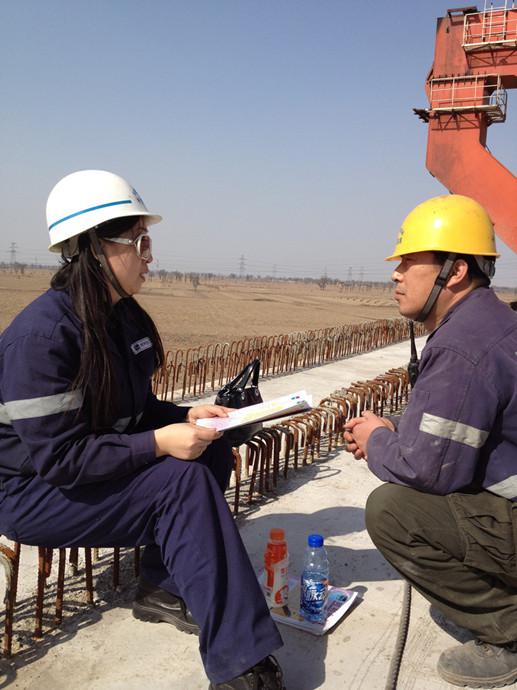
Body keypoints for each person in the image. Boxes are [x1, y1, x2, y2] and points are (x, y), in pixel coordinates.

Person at [0, 169, 285, 690]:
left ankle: (162, 586)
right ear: (93, 248)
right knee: (180, 481)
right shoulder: (42, 338)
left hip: (75, 471)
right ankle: (240, 660)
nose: (149, 256)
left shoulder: (120, 317)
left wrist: (184, 417)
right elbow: (60, 458)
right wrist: (158, 442)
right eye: (139, 242)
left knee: (208, 451)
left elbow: (132, 411)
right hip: (31, 490)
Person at [344, 194, 517, 689]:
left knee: (393, 511)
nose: (396, 274)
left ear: (455, 271)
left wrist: (377, 439)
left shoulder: (463, 345)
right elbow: (464, 426)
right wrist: (397, 428)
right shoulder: (490, 322)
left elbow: (429, 471)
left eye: (408, 262)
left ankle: (508, 628)